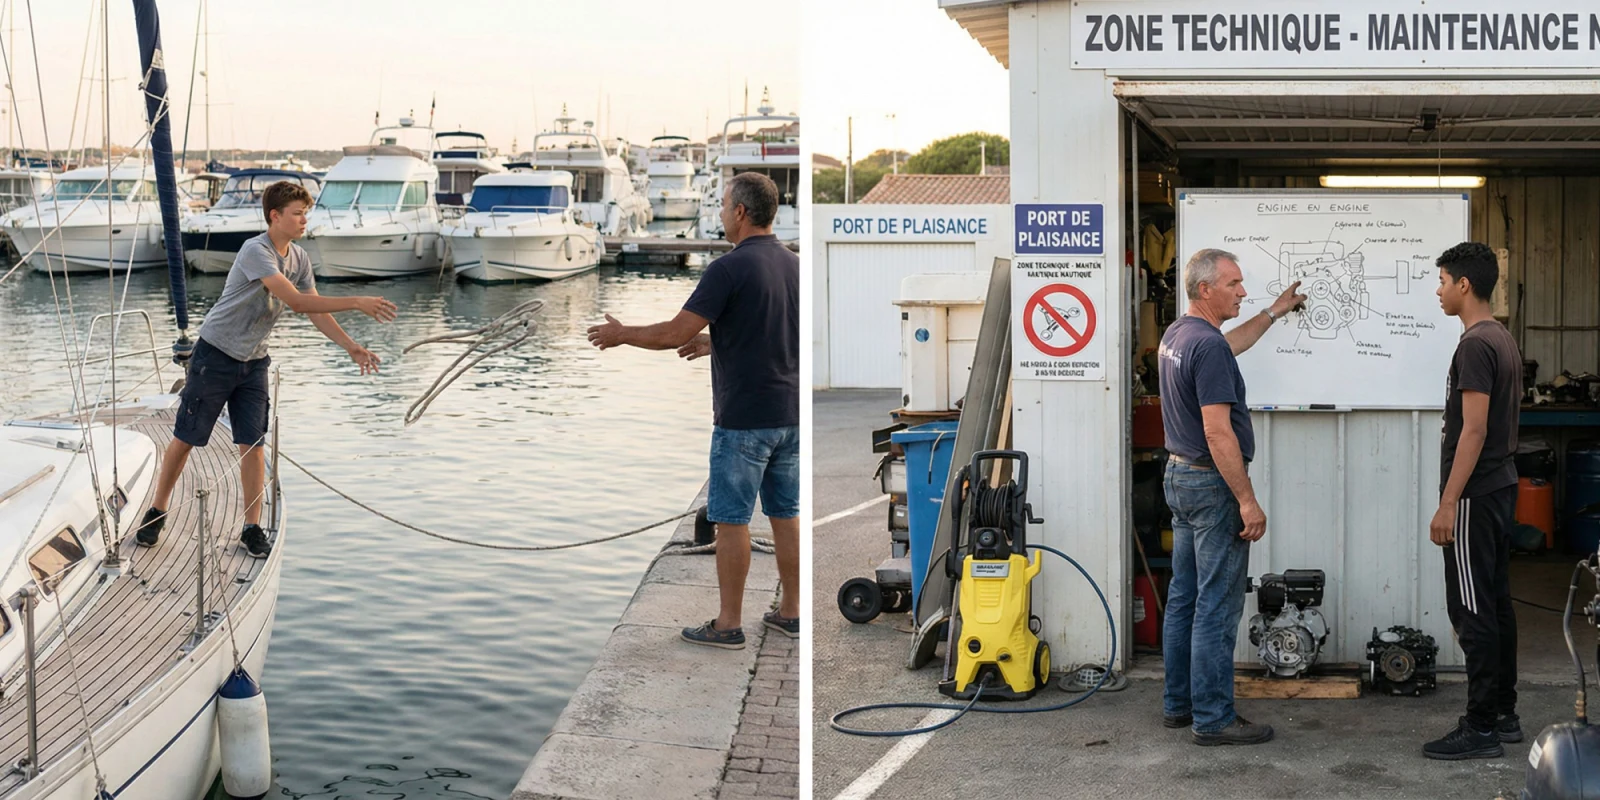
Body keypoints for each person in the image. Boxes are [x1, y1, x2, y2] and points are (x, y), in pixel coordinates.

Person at [586, 172, 799, 650]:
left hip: (744, 419)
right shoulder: (795, 265)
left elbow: (671, 333)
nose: (722, 213)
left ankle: (727, 624)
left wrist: (622, 334)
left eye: (724, 206)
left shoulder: (729, 268)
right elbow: (778, 332)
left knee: (732, 520)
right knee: (786, 513)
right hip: (790, 415)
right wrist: (716, 342)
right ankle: (791, 612)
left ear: (741, 213)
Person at [135, 181, 397, 557]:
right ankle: (157, 510)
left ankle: (251, 526)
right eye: (297, 213)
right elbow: (296, 303)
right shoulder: (255, 251)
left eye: (306, 213)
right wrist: (357, 301)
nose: (304, 219)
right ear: (275, 217)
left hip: (254, 361)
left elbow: (314, 308)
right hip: (216, 355)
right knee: (187, 436)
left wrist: (352, 347)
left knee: (253, 444)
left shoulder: (300, 259)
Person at [1158, 248, 1304, 746]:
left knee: (1183, 599)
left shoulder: (1182, 335)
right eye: (1235, 283)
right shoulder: (1207, 346)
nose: (1243, 290)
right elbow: (1219, 434)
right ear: (1205, 290)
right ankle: (1214, 718)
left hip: (1179, 479)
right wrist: (1246, 499)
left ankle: (1179, 706)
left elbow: (1227, 346)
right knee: (1216, 608)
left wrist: (1273, 312)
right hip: (1211, 485)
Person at [1424, 241, 1523, 760]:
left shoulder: (1474, 346)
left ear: (1464, 285)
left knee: (1471, 610)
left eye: (1441, 281)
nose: (1437, 291)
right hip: (1499, 488)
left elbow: (1474, 430)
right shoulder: (1501, 338)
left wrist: (1448, 502)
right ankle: (1504, 714)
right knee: (1497, 604)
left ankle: (1481, 726)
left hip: (1475, 495)